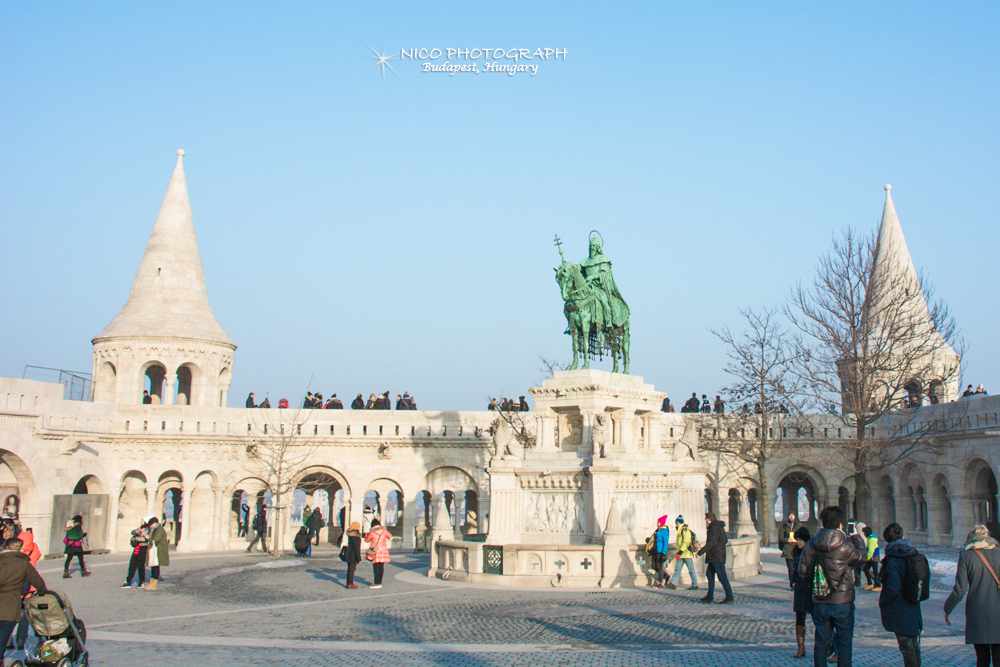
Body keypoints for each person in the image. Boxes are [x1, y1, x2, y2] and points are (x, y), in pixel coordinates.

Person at [797, 505, 867, 667]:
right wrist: (856, 538)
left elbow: (802, 572)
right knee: (844, 644)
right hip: (843, 602)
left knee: (821, 643)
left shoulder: (810, 545)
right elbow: (862, 557)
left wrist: (816, 584)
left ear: (822, 522)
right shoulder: (846, 545)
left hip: (820, 601)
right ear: (841, 525)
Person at [944, 524, 1000, 667]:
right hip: (998, 613)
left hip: (978, 613)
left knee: (982, 659)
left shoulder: (966, 555)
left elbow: (960, 590)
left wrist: (948, 608)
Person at [879, 523, 923, 667]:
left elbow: (893, 586)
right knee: (914, 645)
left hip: (899, 607)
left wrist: (883, 601)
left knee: (907, 647)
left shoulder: (893, 558)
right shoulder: (912, 552)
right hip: (913, 603)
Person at [0, 537, 47, 657]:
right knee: (1, 641)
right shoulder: (23, 563)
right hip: (10, 608)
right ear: (20, 549)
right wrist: (42, 592)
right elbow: (38, 582)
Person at [698, 512, 734, 603]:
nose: (705, 521)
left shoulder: (714, 529)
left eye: (706, 519)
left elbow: (711, 543)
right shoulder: (719, 527)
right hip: (715, 556)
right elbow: (725, 540)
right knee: (709, 575)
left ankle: (729, 596)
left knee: (722, 576)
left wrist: (700, 552)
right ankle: (710, 596)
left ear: (709, 519)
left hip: (716, 556)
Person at [791, 526, 813, 658]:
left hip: (810, 590)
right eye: (796, 539)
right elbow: (793, 571)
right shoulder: (796, 553)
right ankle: (801, 647)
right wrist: (793, 583)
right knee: (799, 618)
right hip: (799, 589)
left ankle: (827, 645)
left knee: (817, 617)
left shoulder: (811, 552)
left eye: (800, 540)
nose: (798, 542)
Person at [122, 517, 151, 588]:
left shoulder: (148, 530)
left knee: (141, 565)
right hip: (136, 548)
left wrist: (135, 538)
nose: (142, 521)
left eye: (143, 520)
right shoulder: (139, 529)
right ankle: (128, 581)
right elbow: (132, 532)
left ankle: (142, 581)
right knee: (132, 565)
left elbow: (144, 539)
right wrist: (138, 533)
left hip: (143, 548)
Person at [671, 516, 699, 590]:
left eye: (676, 523)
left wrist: (680, 551)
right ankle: (673, 583)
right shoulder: (681, 530)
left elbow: (686, 542)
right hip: (682, 553)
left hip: (686, 553)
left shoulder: (684, 530)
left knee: (691, 569)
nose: (675, 525)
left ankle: (695, 584)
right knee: (677, 568)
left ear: (679, 523)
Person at [364, 518, 392, 589]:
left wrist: (366, 536)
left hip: (375, 551)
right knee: (381, 566)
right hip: (383, 550)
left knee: (376, 566)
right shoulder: (384, 531)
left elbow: (367, 540)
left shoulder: (372, 532)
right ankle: (380, 582)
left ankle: (376, 583)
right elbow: (390, 536)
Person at [144, 516, 169, 590]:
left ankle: (154, 584)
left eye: (151, 524)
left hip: (158, 551)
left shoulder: (160, 530)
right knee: (153, 566)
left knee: (156, 566)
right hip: (155, 550)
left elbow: (156, 540)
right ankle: (152, 582)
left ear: (155, 523)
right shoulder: (155, 529)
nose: (150, 526)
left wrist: (148, 538)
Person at [779, 512, 801, 588]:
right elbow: (780, 538)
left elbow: (803, 535)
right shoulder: (784, 526)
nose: (791, 517)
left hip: (797, 549)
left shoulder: (799, 526)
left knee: (797, 568)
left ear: (795, 516)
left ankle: (797, 583)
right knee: (791, 569)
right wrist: (787, 539)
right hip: (788, 550)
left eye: (792, 515)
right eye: (790, 516)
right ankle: (792, 584)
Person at [650, 516, 671, 588]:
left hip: (660, 552)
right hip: (655, 551)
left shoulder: (664, 531)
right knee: (653, 566)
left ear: (661, 523)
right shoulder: (657, 531)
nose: (657, 523)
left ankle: (660, 582)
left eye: (658, 522)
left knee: (659, 567)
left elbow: (665, 543)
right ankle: (665, 575)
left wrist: (663, 553)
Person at [343, 521, 362, 589]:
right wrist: (359, 558)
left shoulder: (351, 535)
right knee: (352, 569)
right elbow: (356, 548)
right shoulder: (356, 537)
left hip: (349, 554)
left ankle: (349, 582)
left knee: (350, 569)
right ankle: (350, 583)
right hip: (353, 555)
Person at [862, 526, 881, 591]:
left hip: (874, 557)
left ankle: (878, 585)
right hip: (871, 557)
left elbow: (871, 551)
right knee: (866, 569)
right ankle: (870, 583)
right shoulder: (869, 538)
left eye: (864, 532)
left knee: (875, 571)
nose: (863, 534)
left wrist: (866, 559)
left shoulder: (871, 540)